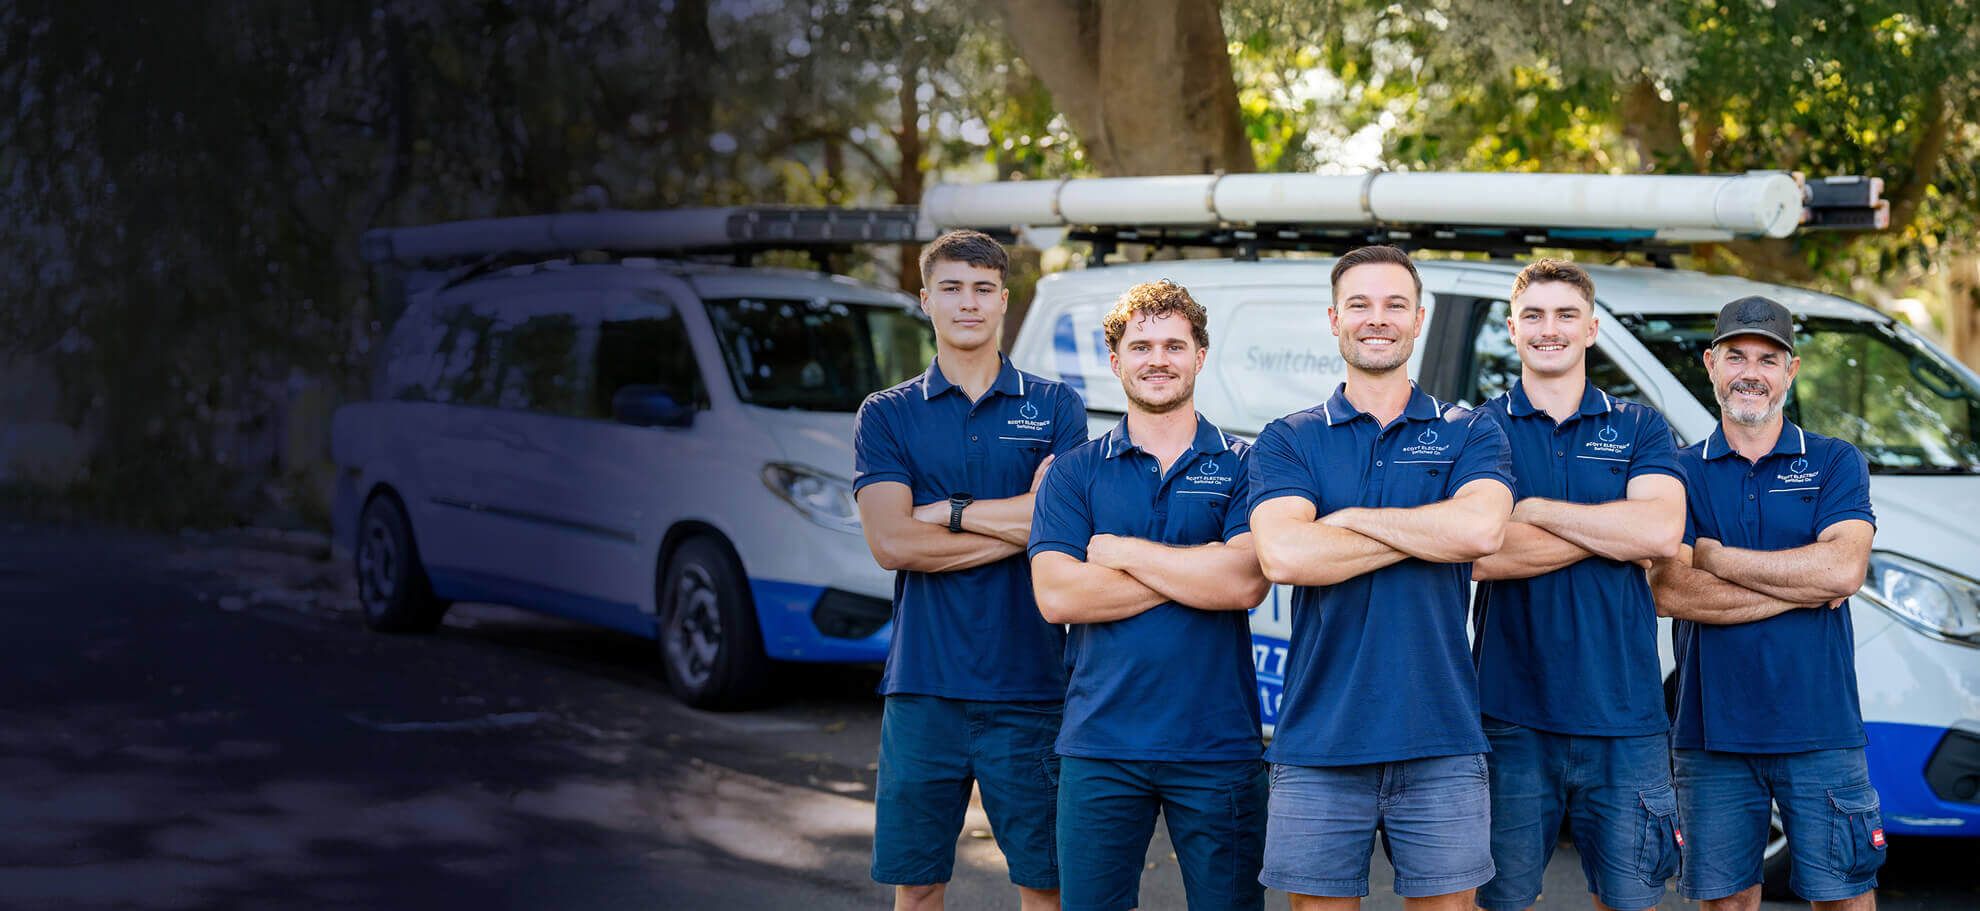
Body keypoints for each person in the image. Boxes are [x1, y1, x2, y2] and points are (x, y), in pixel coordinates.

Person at [1247, 245, 1514, 910]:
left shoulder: (1468, 429)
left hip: (1441, 736)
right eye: (1360, 304)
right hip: (1318, 737)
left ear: (1418, 318)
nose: (1378, 318)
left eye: (1395, 304)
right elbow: (1284, 555)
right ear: (1334, 318)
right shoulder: (1290, 437)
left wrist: (1349, 520)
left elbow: (1480, 531)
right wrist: (1429, 529)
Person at [853, 229, 1089, 911]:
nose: (968, 303)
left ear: (1004, 302)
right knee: (919, 883)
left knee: (1047, 884)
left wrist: (945, 512)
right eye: (952, 288)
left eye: (983, 289)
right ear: (926, 299)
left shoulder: (1055, 406)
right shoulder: (888, 413)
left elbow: (1065, 535)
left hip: (1033, 685)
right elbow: (892, 543)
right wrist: (1020, 522)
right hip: (924, 686)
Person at [1028, 279, 1273, 911]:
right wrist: (1196, 572)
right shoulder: (1074, 472)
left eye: (1173, 344)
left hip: (1218, 744)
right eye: (1141, 346)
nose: (1157, 359)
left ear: (1199, 355)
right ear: (1116, 362)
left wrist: (1121, 553)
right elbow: (1058, 597)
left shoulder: (1247, 466)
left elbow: (1244, 582)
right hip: (1100, 745)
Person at [1649, 295, 1882, 911]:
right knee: (1726, 903)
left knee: (1845, 899)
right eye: (1736, 356)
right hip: (1710, 734)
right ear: (1710, 365)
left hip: (1822, 729)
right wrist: (1803, 586)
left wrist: (1718, 559)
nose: (1751, 371)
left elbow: (1843, 568)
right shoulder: (1677, 471)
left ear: (1791, 370)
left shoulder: (1834, 460)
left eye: (1768, 358)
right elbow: (1671, 590)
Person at [1467, 260, 1687, 911]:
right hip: (1509, 712)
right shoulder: (1479, 428)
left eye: (1566, 314)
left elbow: (1660, 534)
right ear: (1512, 328)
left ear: (1592, 326)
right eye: (1533, 315)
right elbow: (1478, 552)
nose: (1549, 329)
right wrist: (1609, 529)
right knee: (1499, 900)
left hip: (1626, 716)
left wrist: (1531, 511)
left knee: (1629, 899)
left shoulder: (1640, 426)